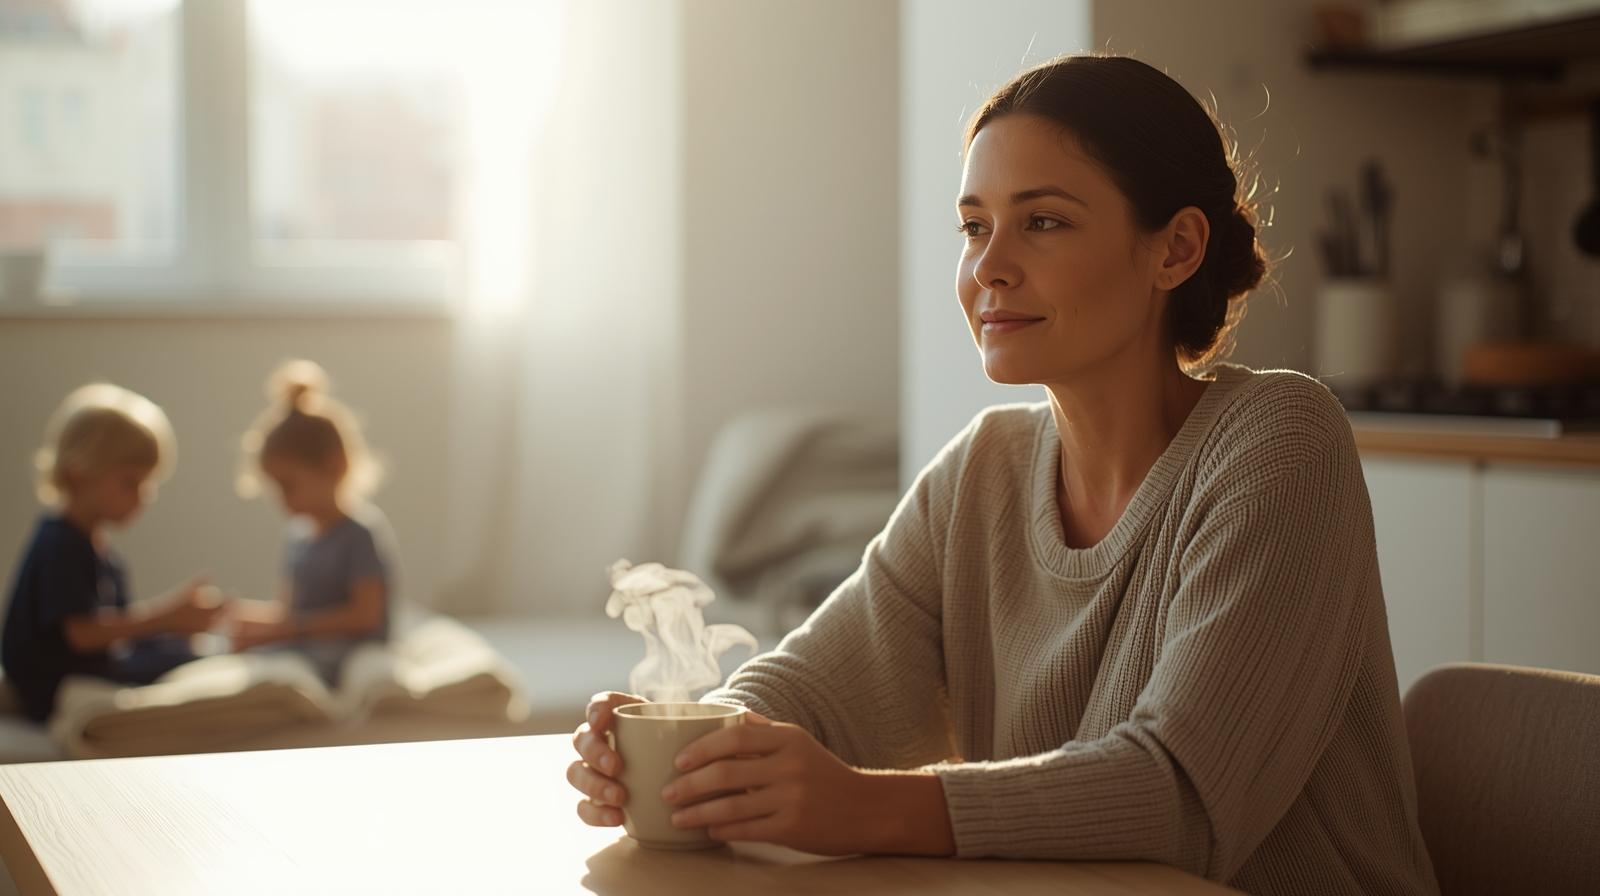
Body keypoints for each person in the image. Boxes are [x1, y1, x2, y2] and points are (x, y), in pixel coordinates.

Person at [567, 54, 1439, 894]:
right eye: (975, 226)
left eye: (1044, 222)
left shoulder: (1279, 441)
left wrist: (860, 806)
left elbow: (1178, 799)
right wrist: (698, 748)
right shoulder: (983, 469)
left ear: (1174, 250)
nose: (988, 267)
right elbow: (813, 688)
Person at [2, 384, 222, 722]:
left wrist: (173, 626)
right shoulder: (62, 543)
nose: (144, 496)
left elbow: (116, 633)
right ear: (79, 473)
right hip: (55, 684)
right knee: (188, 659)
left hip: (90, 666)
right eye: (130, 482)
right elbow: (82, 634)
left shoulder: (97, 548)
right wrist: (164, 617)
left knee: (186, 650)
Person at [228, 360, 395, 687]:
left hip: (347, 650)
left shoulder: (360, 534)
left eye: (289, 485)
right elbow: (289, 613)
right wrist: (251, 622)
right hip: (304, 642)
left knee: (287, 664)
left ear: (334, 468)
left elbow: (366, 616)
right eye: (274, 488)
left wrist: (288, 630)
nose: (281, 499)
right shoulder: (298, 538)